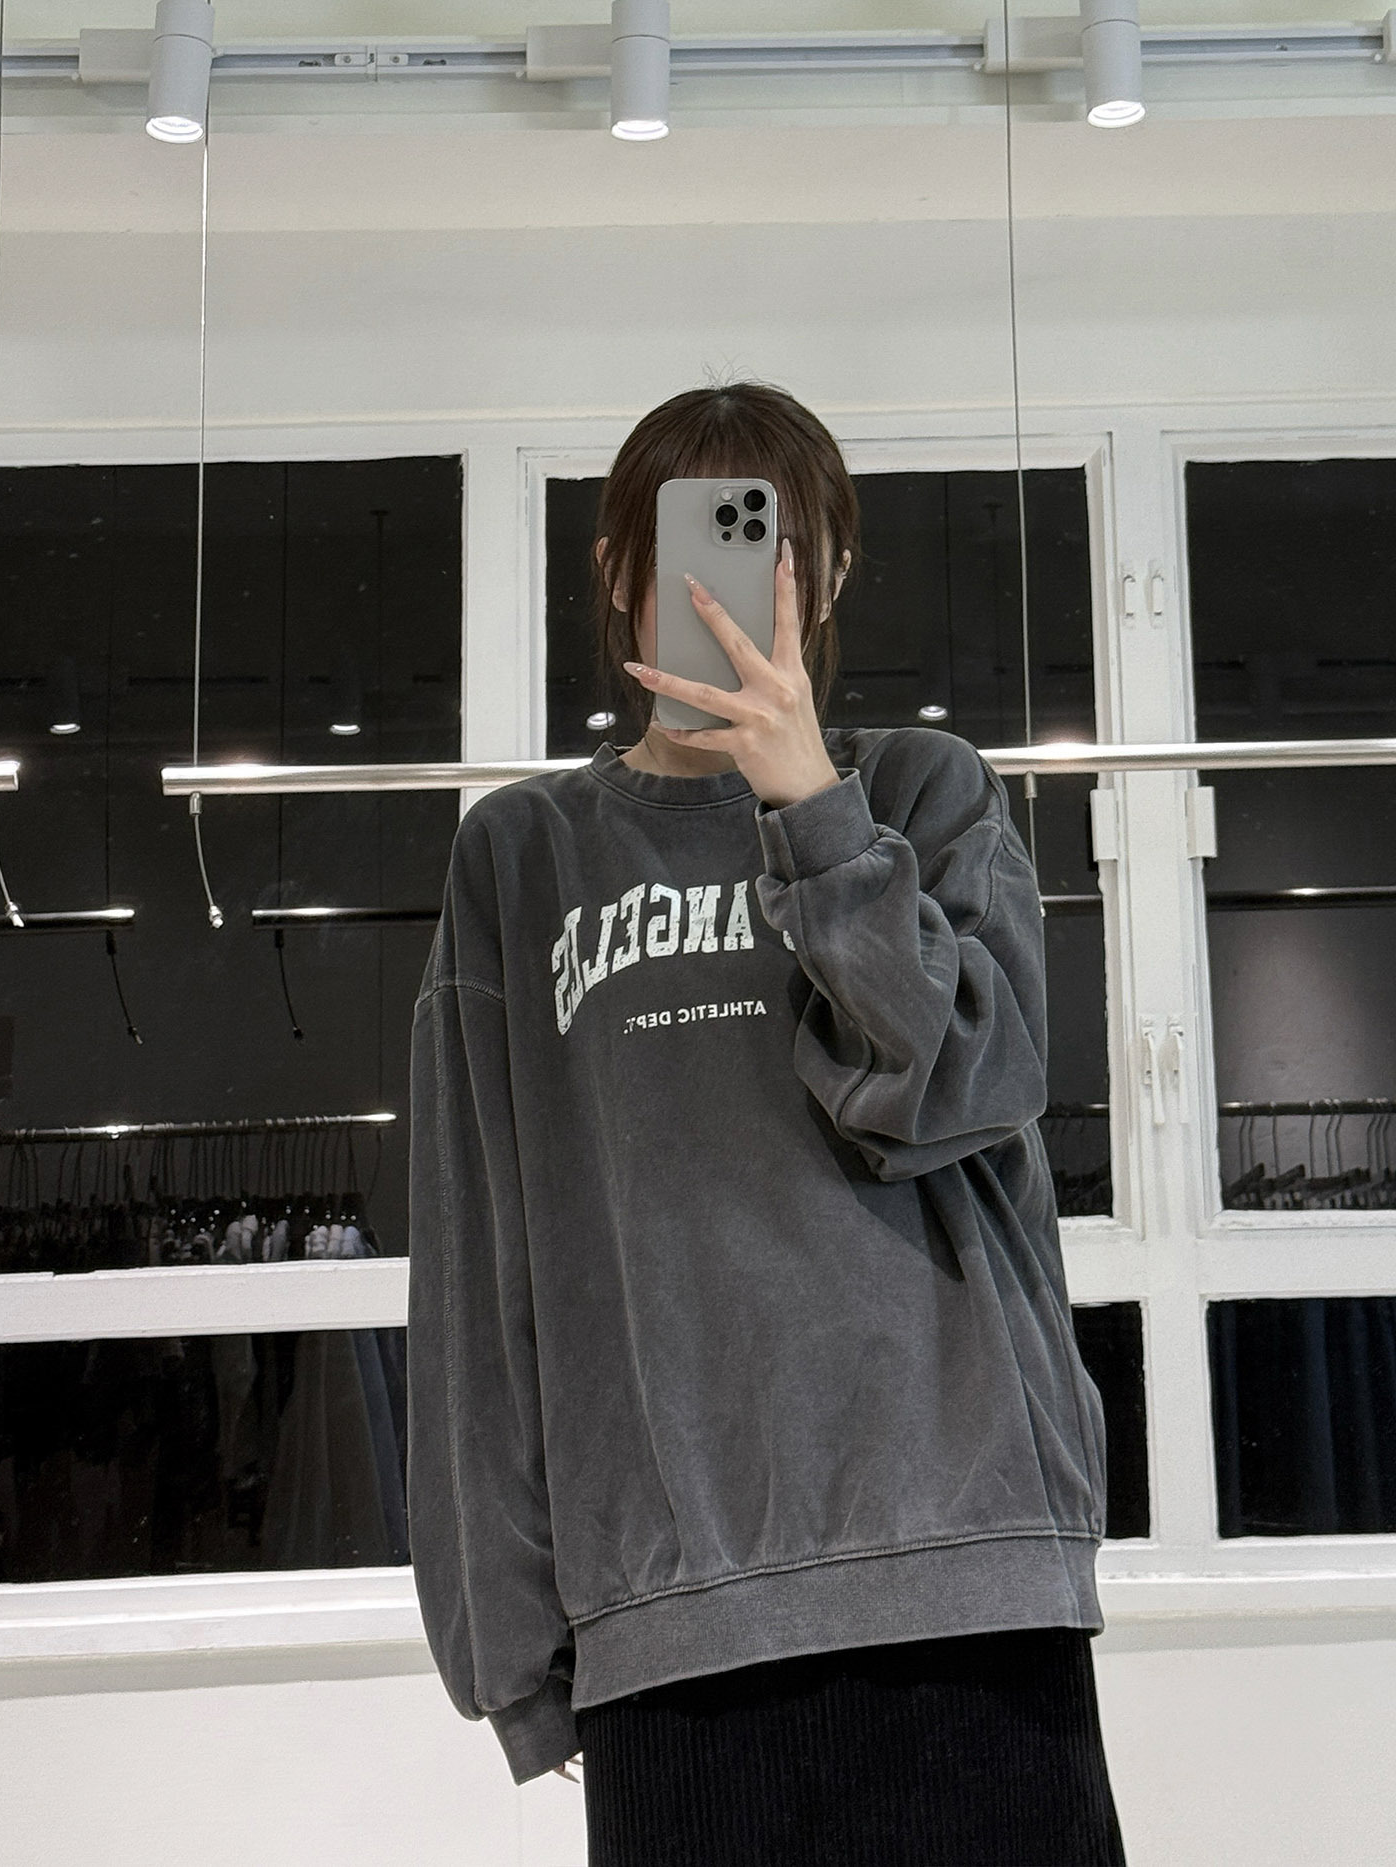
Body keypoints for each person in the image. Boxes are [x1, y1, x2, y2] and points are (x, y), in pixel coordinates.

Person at [406, 381, 1128, 1864]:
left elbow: (966, 1086)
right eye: (695, 542)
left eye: (774, 547)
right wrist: (512, 1651)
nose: (733, 586)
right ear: (618, 569)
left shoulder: (921, 793)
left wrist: (812, 807)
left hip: (967, 1569)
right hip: (675, 1610)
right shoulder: (523, 858)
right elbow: (479, 1260)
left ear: (831, 574)